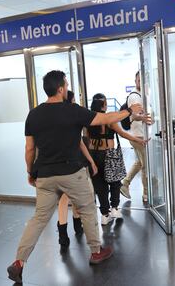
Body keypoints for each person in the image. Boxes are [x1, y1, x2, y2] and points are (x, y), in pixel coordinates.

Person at [7, 70, 143, 284]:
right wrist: (128, 110)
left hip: (44, 175)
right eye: (67, 85)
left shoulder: (33, 114)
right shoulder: (72, 110)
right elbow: (106, 118)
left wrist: (30, 172)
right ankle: (96, 251)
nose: (68, 88)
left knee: (39, 218)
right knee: (88, 209)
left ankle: (19, 262)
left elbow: (29, 149)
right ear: (60, 88)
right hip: (72, 173)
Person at [88, 93, 148, 225]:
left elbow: (86, 139)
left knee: (100, 185)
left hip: (93, 155)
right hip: (109, 155)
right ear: (104, 105)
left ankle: (104, 214)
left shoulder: (90, 119)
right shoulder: (108, 119)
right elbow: (122, 134)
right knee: (114, 182)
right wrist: (139, 140)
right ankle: (114, 208)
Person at [57, 90, 98, 251]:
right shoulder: (72, 115)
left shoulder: (56, 116)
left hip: (56, 163)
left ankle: (65, 233)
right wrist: (90, 160)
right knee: (73, 196)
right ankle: (75, 227)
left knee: (65, 199)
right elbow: (80, 142)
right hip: (72, 162)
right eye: (74, 99)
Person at [120, 71, 151, 202]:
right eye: (138, 80)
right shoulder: (134, 97)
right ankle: (146, 194)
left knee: (140, 162)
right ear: (135, 81)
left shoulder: (142, 95)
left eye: (143, 80)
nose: (140, 82)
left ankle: (125, 183)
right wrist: (143, 118)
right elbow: (133, 115)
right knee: (146, 166)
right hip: (138, 136)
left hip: (140, 134)